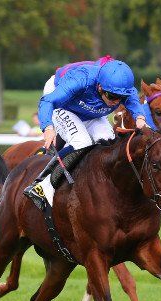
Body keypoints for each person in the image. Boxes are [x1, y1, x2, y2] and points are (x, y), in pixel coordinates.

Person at [23, 57, 147, 211]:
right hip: (61, 103)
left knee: (108, 142)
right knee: (81, 141)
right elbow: (48, 101)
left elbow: (135, 107)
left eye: (120, 98)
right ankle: (42, 185)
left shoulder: (124, 90)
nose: (116, 102)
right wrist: (47, 127)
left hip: (89, 108)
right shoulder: (81, 80)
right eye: (111, 96)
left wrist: (140, 119)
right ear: (100, 87)